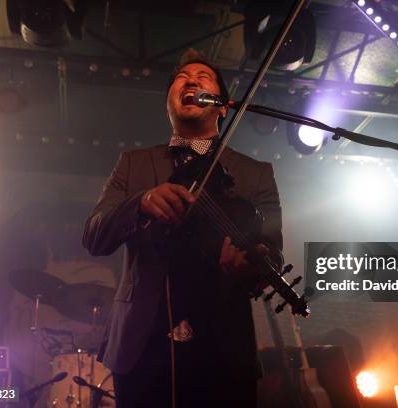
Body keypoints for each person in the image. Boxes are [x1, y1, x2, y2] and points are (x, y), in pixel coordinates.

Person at [83, 49, 283, 408]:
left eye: (203, 77)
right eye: (182, 77)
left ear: (222, 106)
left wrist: (251, 265)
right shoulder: (133, 164)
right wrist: (140, 203)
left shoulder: (255, 173)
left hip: (224, 343)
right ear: (169, 104)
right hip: (141, 342)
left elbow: (273, 252)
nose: (191, 79)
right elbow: (93, 235)